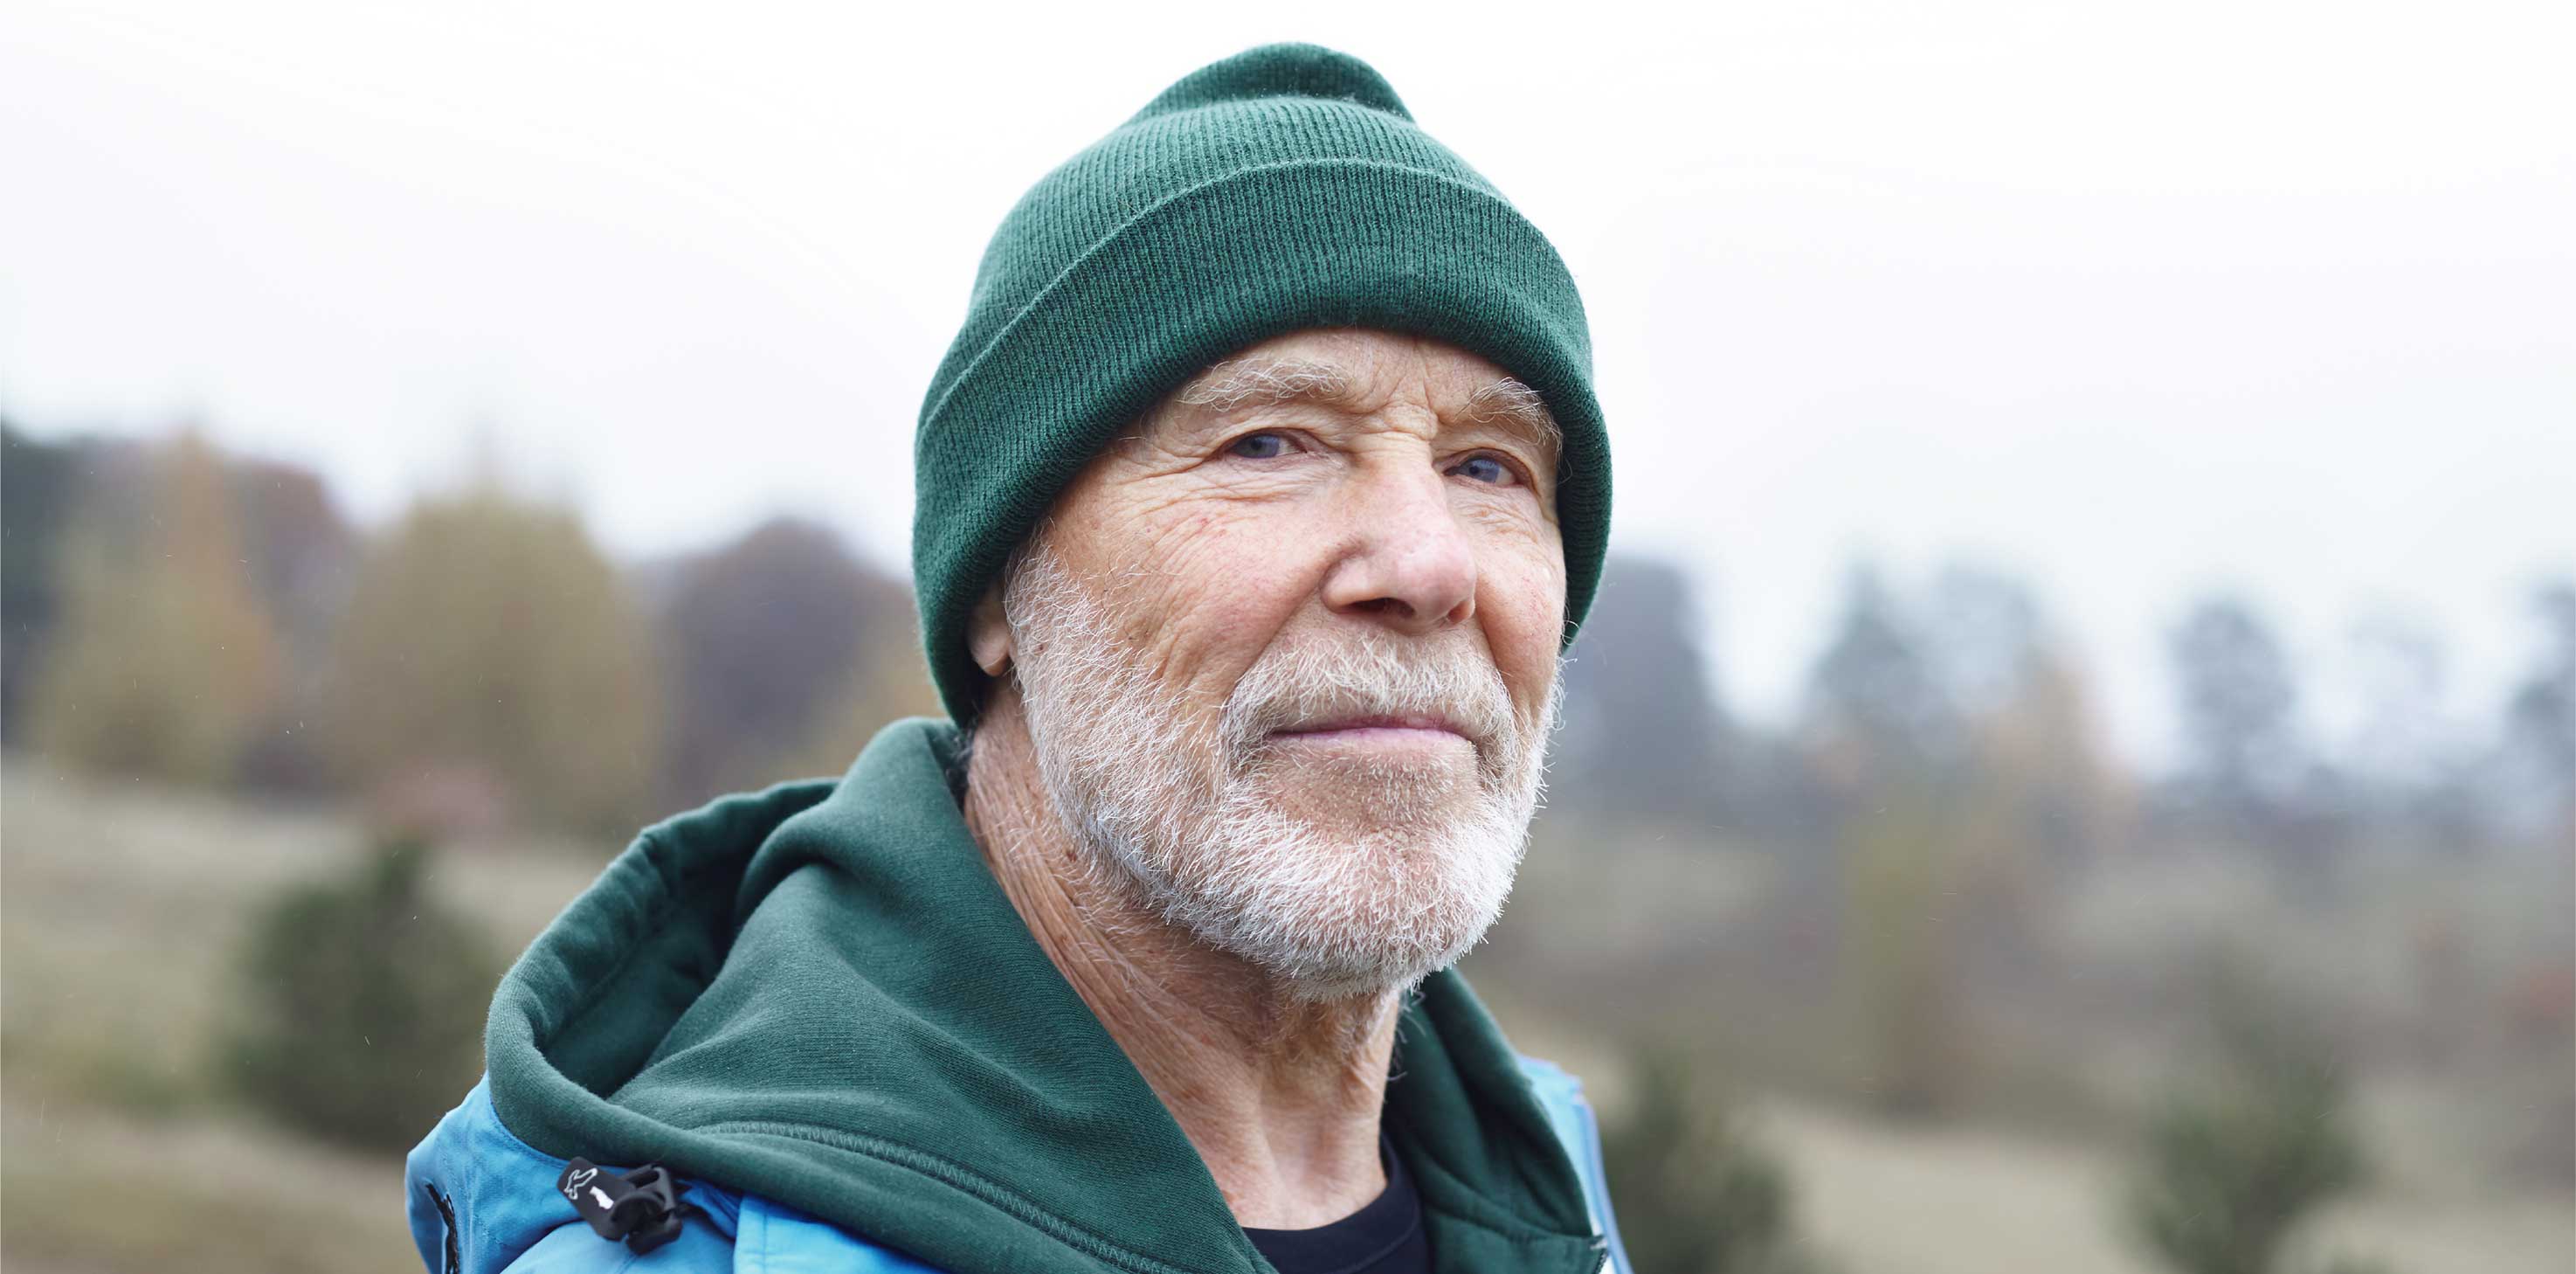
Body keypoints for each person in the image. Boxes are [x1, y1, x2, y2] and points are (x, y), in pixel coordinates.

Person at [406, 42, 1629, 1274]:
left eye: (1489, 467)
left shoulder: (1552, 1189)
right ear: (1000, 589)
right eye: (1269, 444)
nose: (1427, 566)